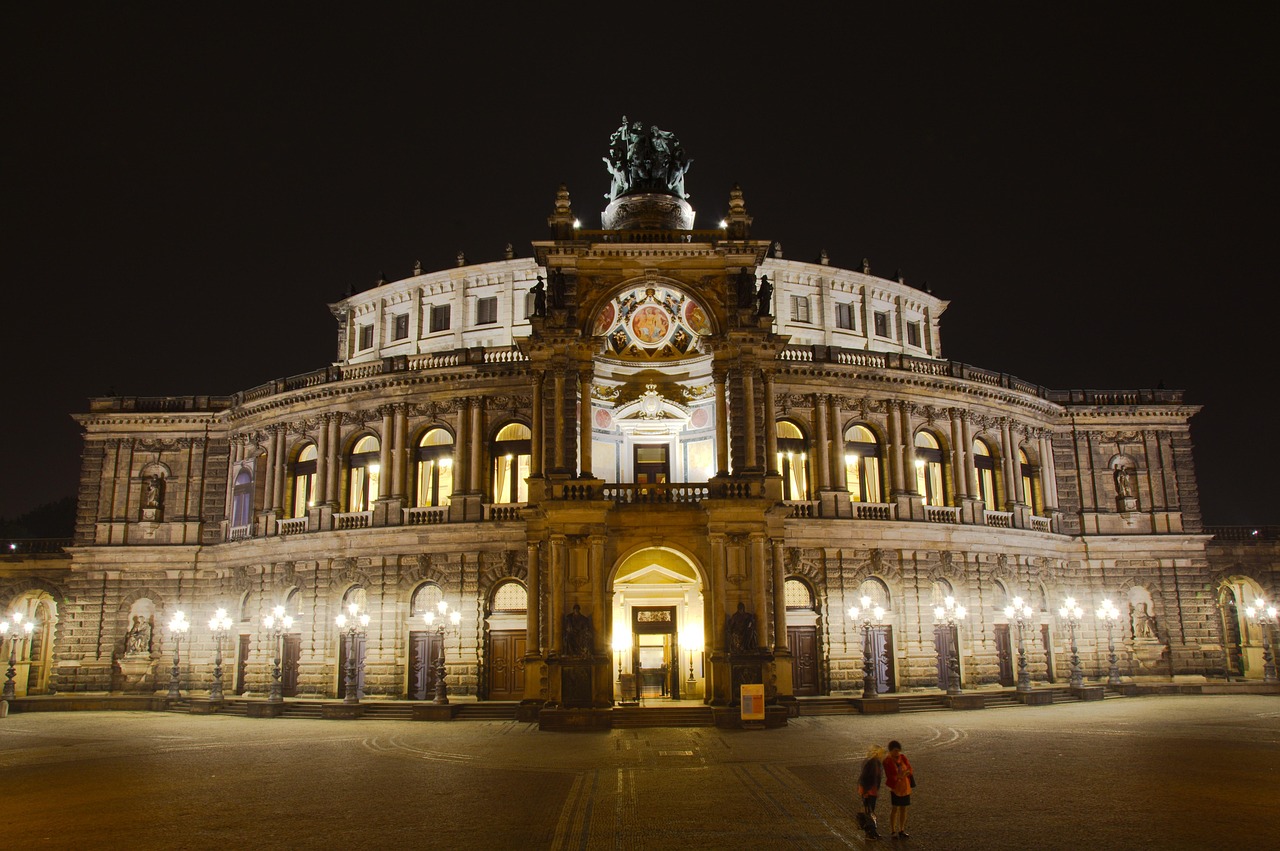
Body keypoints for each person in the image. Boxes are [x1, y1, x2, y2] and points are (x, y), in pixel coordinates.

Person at [883, 739, 915, 839]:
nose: (897, 753)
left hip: (905, 787)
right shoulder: (887, 761)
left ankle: (901, 829)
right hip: (896, 788)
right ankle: (893, 830)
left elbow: (910, 769)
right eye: (895, 750)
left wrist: (906, 773)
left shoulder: (903, 757)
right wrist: (899, 777)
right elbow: (889, 776)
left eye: (898, 750)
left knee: (904, 809)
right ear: (890, 751)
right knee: (895, 808)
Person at [856, 745, 886, 840]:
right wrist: (865, 791)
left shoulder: (875, 762)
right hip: (868, 791)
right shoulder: (871, 763)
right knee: (869, 812)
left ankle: (872, 831)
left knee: (870, 811)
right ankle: (870, 833)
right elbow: (865, 777)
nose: (883, 755)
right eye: (881, 753)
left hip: (871, 790)